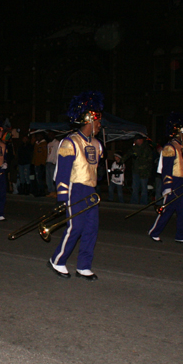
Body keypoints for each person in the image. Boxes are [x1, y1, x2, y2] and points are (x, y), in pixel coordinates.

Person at [48, 91, 104, 281]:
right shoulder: (70, 142)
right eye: (97, 120)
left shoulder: (97, 144)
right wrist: (62, 198)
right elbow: (61, 173)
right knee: (76, 227)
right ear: (88, 119)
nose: (99, 124)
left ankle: (84, 266)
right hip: (74, 189)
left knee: (91, 228)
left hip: (90, 189)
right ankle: (57, 260)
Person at [148, 113, 183, 244]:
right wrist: (167, 186)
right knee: (168, 209)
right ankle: (154, 232)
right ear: (178, 132)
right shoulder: (170, 147)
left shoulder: (182, 146)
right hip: (174, 182)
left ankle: (181, 235)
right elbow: (166, 169)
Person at [122, 135, 153, 206]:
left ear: (140, 140)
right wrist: (121, 160)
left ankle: (143, 203)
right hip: (135, 171)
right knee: (135, 187)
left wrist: (139, 158)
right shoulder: (134, 148)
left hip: (144, 172)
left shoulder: (147, 148)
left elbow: (149, 161)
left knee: (143, 188)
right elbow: (128, 154)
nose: (135, 142)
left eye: (136, 140)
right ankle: (134, 202)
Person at [31, 132, 47, 196]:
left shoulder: (43, 144)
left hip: (40, 164)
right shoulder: (36, 143)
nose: (37, 137)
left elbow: (45, 154)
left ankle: (41, 191)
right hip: (35, 163)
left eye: (38, 136)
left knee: (39, 178)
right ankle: (37, 190)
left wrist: (43, 163)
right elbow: (34, 154)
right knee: (36, 178)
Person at [45, 131, 60, 198]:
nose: (50, 136)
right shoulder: (49, 144)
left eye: (51, 135)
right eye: (49, 135)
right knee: (48, 178)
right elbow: (48, 153)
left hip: (53, 163)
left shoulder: (57, 143)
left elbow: (57, 153)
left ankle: (54, 191)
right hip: (48, 162)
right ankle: (50, 191)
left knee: (52, 177)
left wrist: (55, 162)